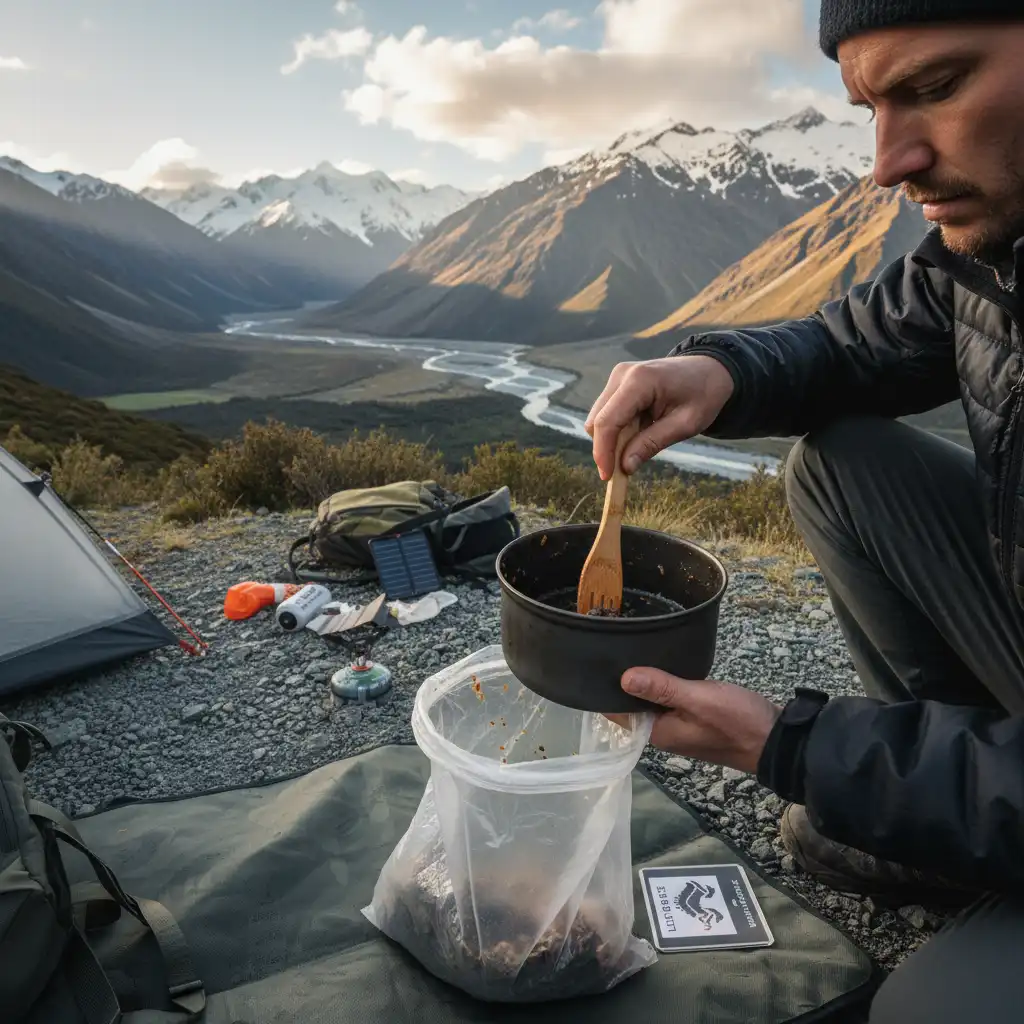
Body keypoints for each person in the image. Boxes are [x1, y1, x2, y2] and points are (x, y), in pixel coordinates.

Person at [586, 2, 1024, 1020]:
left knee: (926, 1012)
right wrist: (716, 369)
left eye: (938, 84)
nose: (888, 161)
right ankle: (962, 816)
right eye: (870, 106)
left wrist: (792, 746)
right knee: (841, 460)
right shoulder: (995, 237)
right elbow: (866, 342)